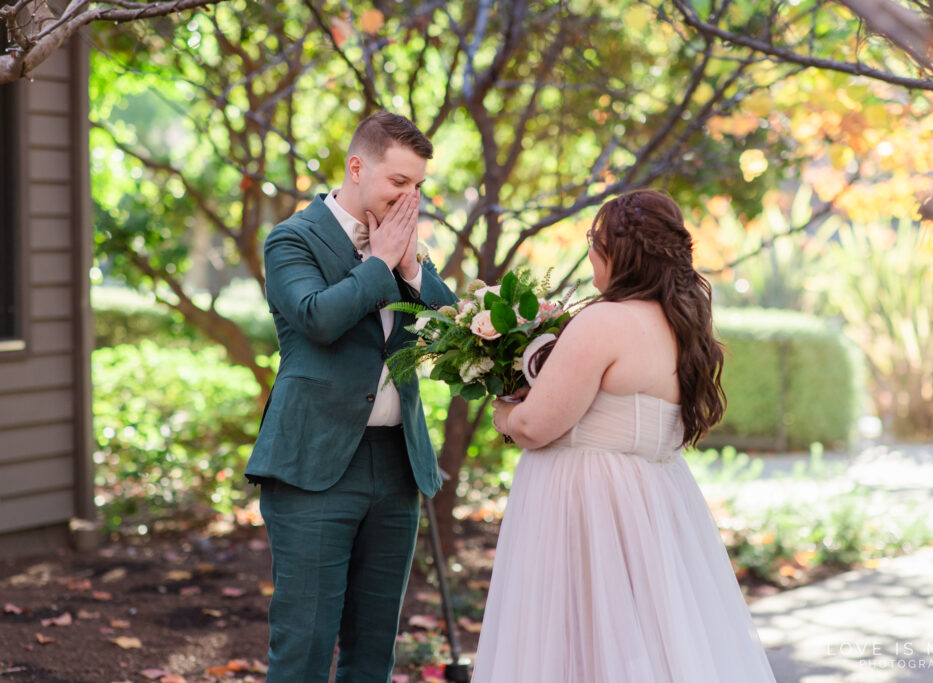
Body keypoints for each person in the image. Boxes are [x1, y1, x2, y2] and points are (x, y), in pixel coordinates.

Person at [476, 190, 777, 682]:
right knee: (646, 642)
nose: (591, 251)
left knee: (577, 643)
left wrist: (502, 411)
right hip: (653, 501)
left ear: (616, 252)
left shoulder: (604, 321)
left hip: (586, 507)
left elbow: (535, 426)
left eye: (595, 241)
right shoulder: (684, 324)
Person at [245, 111, 457, 682]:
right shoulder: (293, 238)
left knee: (372, 649)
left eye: (417, 186)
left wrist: (412, 268)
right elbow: (317, 319)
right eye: (398, 183)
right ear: (357, 168)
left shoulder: (404, 245)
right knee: (305, 644)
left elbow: (452, 330)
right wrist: (381, 262)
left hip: (395, 465)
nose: (409, 198)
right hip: (314, 464)